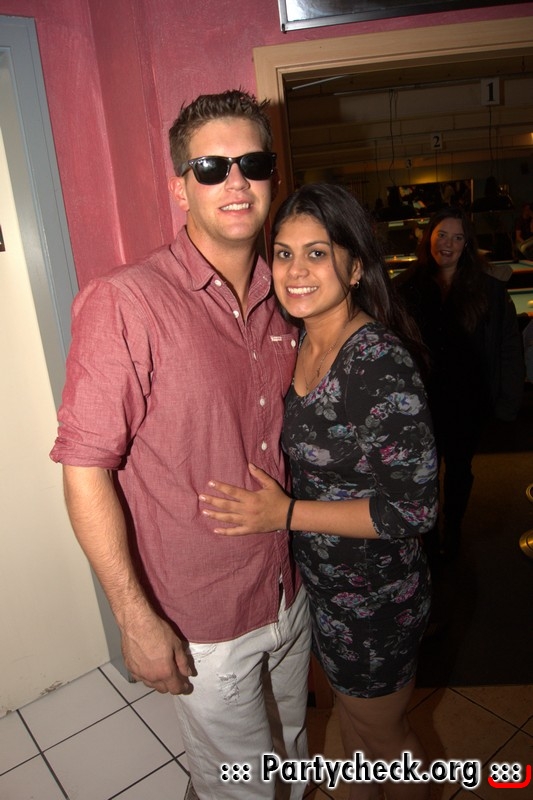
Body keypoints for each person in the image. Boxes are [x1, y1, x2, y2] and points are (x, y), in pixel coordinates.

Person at [50, 89, 311, 800]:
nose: (235, 181)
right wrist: (134, 618)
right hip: (203, 614)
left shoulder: (289, 298)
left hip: (288, 592)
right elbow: (84, 470)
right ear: (180, 187)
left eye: (253, 163)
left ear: (273, 178)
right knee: (240, 786)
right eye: (211, 167)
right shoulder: (126, 300)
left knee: (292, 749)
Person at [200, 183, 438, 800]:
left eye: (317, 253)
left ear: (355, 267)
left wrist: (285, 514)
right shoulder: (302, 340)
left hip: (378, 596)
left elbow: (413, 508)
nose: (296, 271)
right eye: (283, 254)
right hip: (327, 590)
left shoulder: (376, 361)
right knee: (353, 732)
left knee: (385, 738)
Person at [395, 207, 524, 563]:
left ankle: (453, 529)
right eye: (442, 235)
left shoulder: (488, 290)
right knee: (423, 474)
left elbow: (508, 347)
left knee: (460, 471)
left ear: (467, 243)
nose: (448, 244)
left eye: (457, 237)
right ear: (429, 238)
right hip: (421, 405)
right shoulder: (406, 287)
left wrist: (508, 402)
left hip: (468, 401)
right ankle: (428, 534)